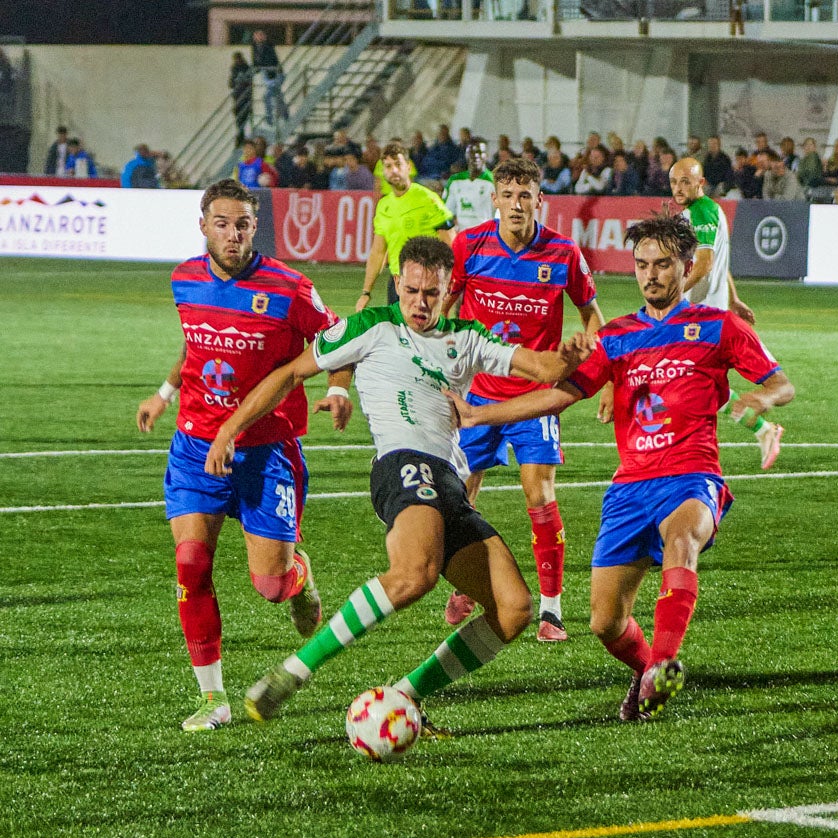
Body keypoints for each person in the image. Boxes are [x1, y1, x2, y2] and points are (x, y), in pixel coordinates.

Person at [213, 237, 593, 723]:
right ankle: (295, 670)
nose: (419, 302)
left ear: (447, 288)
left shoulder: (467, 336)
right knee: (415, 573)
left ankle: (407, 694)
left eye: (431, 293)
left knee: (514, 607)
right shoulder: (371, 326)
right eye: (411, 290)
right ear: (398, 284)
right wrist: (231, 428)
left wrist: (572, 354)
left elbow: (544, 368)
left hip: (449, 479)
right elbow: (290, 374)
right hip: (402, 462)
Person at [452, 215, 795, 720]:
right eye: (641, 265)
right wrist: (479, 413)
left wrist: (762, 401)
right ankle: (644, 669)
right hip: (630, 486)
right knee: (604, 622)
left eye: (661, 265)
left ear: (685, 267)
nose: (650, 275)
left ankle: (663, 663)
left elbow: (782, 382)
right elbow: (556, 396)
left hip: (691, 474)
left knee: (683, 541)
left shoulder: (718, 326)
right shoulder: (616, 337)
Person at [135, 179, 348, 732]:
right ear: (203, 225)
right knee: (190, 564)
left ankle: (296, 574)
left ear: (257, 227)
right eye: (223, 224)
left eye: (244, 225)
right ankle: (213, 698)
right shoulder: (184, 278)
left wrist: (340, 387)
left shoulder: (291, 288)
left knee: (270, 587)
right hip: (194, 447)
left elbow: (340, 339)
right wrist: (164, 395)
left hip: (266, 451)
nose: (233, 235)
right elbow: (195, 345)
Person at [438, 157, 607, 639]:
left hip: (536, 398)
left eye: (525, 194)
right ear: (494, 199)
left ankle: (551, 608)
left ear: (539, 200)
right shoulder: (468, 245)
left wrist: (589, 349)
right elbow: (444, 312)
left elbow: (593, 316)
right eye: (507, 194)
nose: (516, 204)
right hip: (477, 395)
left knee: (540, 494)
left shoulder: (562, 253)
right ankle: (469, 582)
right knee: (459, 494)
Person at [670, 156, 785, 470]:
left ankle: (685, 454)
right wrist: (734, 298)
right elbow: (717, 259)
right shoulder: (706, 211)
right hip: (705, 313)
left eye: (685, 181)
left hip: (701, 318)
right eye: (674, 182)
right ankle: (763, 431)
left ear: (700, 182)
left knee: (682, 383)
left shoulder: (701, 212)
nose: (678, 188)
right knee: (700, 386)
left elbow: (706, 264)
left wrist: (673, 291)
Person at [359, 142, 456, 311]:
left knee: (425, 335)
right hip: (397, 282)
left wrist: (449, 284)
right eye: (388, 166)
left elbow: (452, 244)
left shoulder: (428, 199)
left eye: (398, 164)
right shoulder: (384, 206)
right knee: (399, 336)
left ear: (409, 167)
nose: (394, 170)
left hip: (426, 282)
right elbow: (378, 252)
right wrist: (366, 292)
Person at [442, 141, 495, 230]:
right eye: (472, 152)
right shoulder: (455, 180)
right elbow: (446, 211)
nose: (476, 156)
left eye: (480, 152)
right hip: (461, 235)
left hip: (485, 235)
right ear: (466, 155)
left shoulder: (495, 181)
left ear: (486, 156)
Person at [251, 30, 289, 128]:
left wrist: (261, 67)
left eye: (260, 35)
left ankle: (270, 118)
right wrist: (256, 69)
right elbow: (255, 61)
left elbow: (270, 60)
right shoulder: (255, 47)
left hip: (275, 74)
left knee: (268, 96)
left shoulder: (268, 46)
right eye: (256, 36)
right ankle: (284, 116)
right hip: (267, 75)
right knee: (277, 96)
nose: (258, 38)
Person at [229, 53, 253, 146]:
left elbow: (249, 82)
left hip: (245, 98)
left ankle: (240, 138)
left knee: (243, 119)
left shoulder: (246, 68)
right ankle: (240, 137)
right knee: (239, 119)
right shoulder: (234, 68)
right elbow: (231, 83)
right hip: (237, 98)